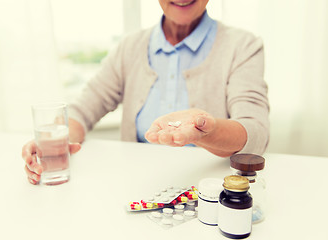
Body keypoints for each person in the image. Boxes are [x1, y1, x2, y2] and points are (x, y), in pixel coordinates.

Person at [22, 0, 269, 185]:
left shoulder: (243, 46)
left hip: (211, 192)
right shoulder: (130, 47)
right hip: (137, 188)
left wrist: (208, 130)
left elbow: (256, 132)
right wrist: (54, 139)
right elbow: (84, 108)